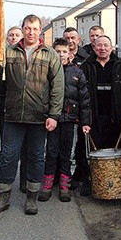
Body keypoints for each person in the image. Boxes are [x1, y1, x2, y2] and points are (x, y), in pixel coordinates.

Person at [0, 14, 64, 215]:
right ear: (23, 29)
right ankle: (3, 198)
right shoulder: (8, 53)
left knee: (37, 157)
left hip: (39, 117)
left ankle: (31, 199)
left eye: (35, 28)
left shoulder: (50, 55)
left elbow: (58, 88)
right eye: (27, 28)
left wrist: (54, 115)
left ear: (40, 31)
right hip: (13, 115)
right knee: (8, 157)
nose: (31, 32)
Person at [39, 38, 91, 203]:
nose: (61, 54)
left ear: (70, 53)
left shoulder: (77, 73)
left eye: (64, 51)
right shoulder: (46, 71)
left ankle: (64, 186)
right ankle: (47, 185)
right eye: (57, 51)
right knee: (51, 152)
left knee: (67, 153)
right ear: (52, 52)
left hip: (70, 119)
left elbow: (84, 99)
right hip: (52, 119)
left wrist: (85, 121)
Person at [78, 35, 121, 196]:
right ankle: (89, 180)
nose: (102, 48)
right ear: (94, 48)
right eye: (99, 45)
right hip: (93, 116)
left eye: (106, 45)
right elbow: (81, 92)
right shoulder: (86, 66)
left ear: (111, 47)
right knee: (90, 151)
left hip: (116, 116)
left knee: (113, 151)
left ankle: (114, 183)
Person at [0, 26, 28, 192]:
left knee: (26, 147)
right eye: (11, 35)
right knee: (8, 147)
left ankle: (24, 181)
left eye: (17, 35)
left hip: (25, 108)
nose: (14, 38)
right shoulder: (1, 57)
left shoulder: (27, 56)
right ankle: (5, 180)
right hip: (5, 107)